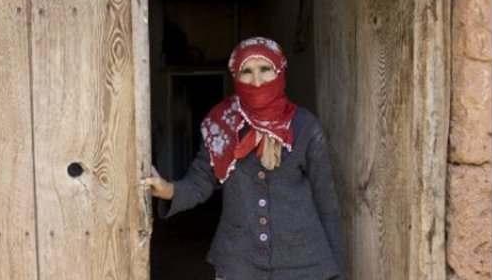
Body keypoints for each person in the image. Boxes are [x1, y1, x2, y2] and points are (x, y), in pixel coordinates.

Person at [140, 37, 346, 280]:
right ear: (235, 76)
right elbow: (199, 182)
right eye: (246, 71)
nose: (256, 80)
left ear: (280, 70)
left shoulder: (305, 126)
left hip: (305, 263)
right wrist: (168, 190)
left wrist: (339, 272)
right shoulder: (221, 123)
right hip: (238, 263)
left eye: (265, 69)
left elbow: (326, 203)